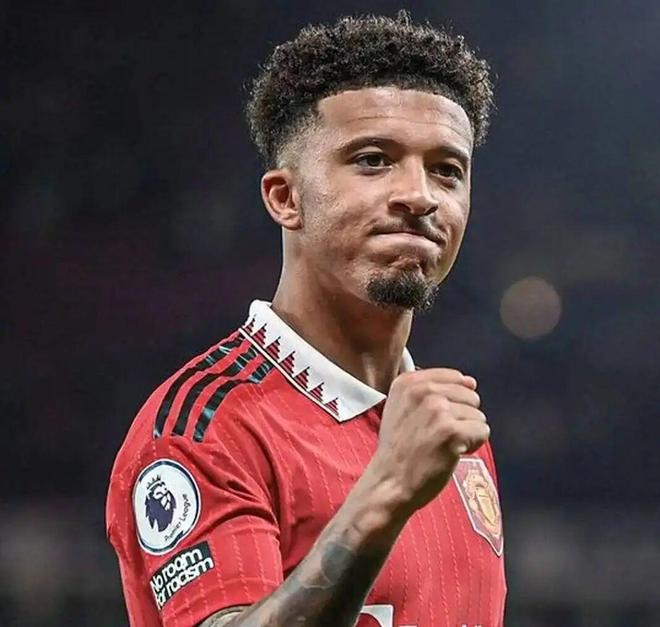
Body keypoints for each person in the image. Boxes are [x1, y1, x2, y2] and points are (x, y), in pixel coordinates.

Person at [106, 12, 505, 627]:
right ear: (285, 198)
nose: (421, 195)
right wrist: (386, 493)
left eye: (447, 170)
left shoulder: (446, 429)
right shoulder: (205, 428)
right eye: (373, 160)